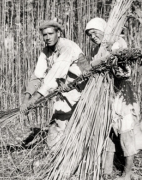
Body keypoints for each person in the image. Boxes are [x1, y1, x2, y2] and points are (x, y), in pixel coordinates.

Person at [85, 17, 142, 180]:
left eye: (94, 32)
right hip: (108, 94)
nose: (92, 36)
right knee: (110, 131)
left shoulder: (118, 43)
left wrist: (105, 64)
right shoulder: (95, 50)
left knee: (126, 132)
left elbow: (123, 72)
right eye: (89, 35)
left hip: (123, 93)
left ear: (103, 29)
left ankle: (126, 175)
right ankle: (106, 171)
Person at [20, 20, 90, 150]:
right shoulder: (47, 50)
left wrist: (33, 101)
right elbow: (37, 75)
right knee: (58, 125)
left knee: (70, 126)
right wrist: (26, 99)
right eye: (44, 35)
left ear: (58, 33)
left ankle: (67, 158)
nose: (47, 37)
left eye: (50, 33)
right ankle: (57, 156)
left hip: (82, 90)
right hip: (66, 91)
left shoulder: (67, 47)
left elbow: (52, 78)